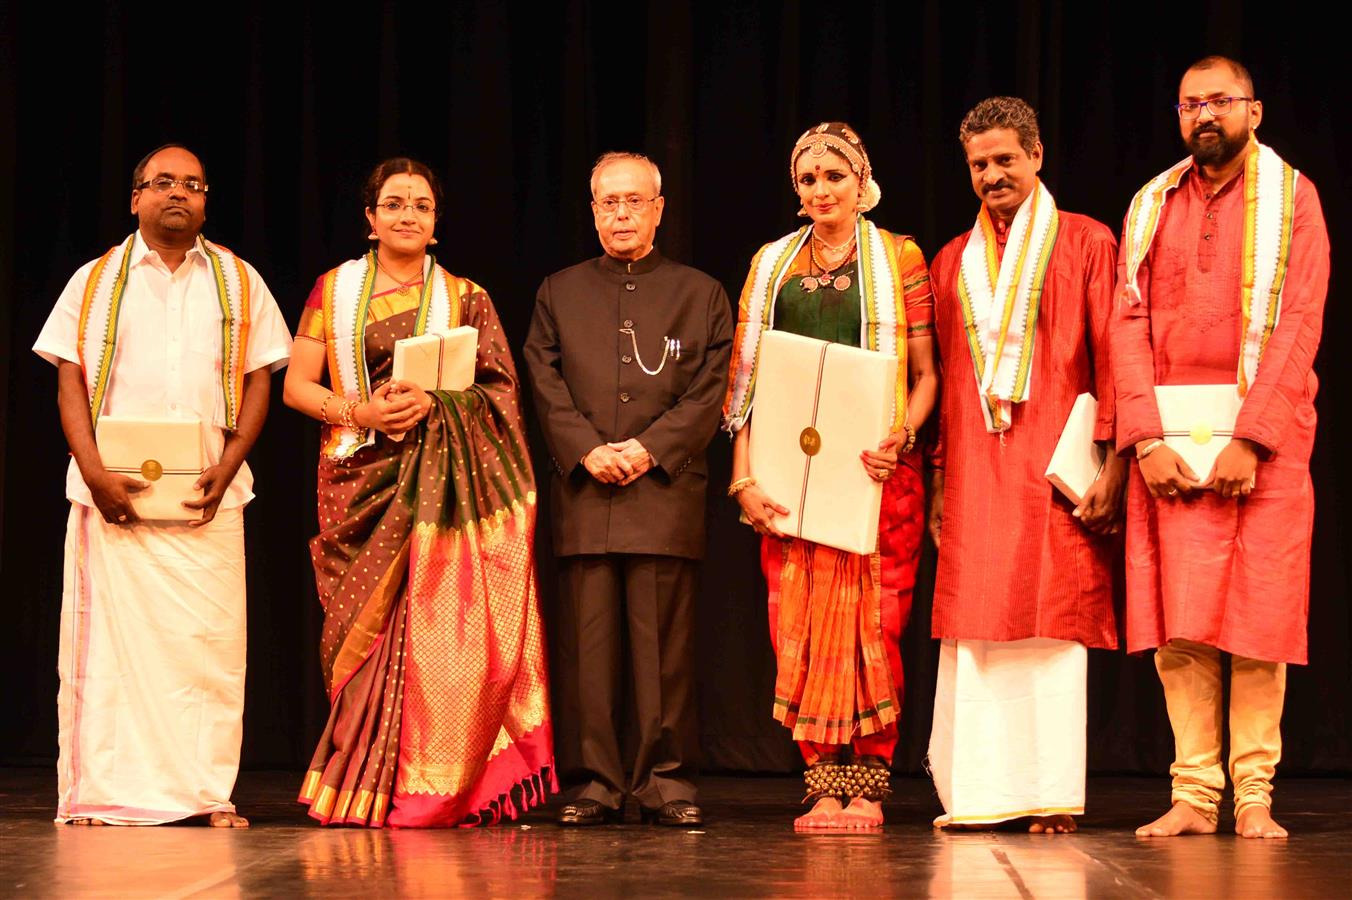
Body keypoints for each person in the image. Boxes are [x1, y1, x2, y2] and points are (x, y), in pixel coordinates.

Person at [285, 157, 555, 827]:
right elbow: (296, 386)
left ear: (435, 225)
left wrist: (439, 406)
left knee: (442, 643)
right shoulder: (333, 290)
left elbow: (500, 397)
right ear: (370, 218)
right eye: (395, 203)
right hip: (362, 486)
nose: (409, 214)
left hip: (445, 494)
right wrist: (362, 414)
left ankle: (434, 786)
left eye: (423, 206)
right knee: (364, 642)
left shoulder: (467, 298)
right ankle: (358, 782)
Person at [33, 143, 293, 827]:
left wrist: (233, 459)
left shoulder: (239, 281)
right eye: (163, 182)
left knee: (207, 650)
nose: (179, 193)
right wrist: (93, 471)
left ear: (206, 200)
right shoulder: (93, 280)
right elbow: (68, 377)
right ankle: (97, 795)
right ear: (136, 197)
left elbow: (261, 375)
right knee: (107, 649)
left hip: (208, 494)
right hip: (110, 491)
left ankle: (206, 797)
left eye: (194, 184)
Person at [1113, 57, 1329, 840]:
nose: (1206, 114)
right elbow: (1125, 325)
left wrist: (1254, 438)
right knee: (1184, 622)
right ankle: (1195, 795)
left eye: (1221, 101)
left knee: (1258, 621)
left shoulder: (1294, 199)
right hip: (1169, 443)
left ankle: (1255, 795)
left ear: (1255, 111)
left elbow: (1302, 318)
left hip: (1263, 444)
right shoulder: (1151, 203)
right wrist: (1141, 440)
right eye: (1190, 103)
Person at [723, 122, 938, 829]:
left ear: (862, 181)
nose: (820, 190)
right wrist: (742, 478)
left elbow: (927, 374)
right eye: (808, 180)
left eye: (833, 177)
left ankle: (869, 780)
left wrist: (901, 436)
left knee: (875, 623)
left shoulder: (899, 258)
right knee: (801, 628)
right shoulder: (772, 264)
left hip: (878, 474)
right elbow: (747, 386)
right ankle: (821, 777)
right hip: (791, 471)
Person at [924, 98, 1125, 833]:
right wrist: (941, 477)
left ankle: (1049, 796)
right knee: (977, 630)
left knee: (1052, 626)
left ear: (1037, 155)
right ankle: (979, 796)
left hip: (1055, 468)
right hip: (977, 470)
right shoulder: (951, 263)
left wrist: (1119, 463)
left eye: (1005, 159)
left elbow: (1117, 360)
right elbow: (945, 381)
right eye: (979, 164)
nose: (992, 175)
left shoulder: (1087, 244)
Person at [523, 152, 732, 827]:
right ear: (591, 209)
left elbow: (711, 390)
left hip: (663, 492)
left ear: (658, 208)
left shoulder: (701, 294)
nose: (621, 213)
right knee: (590, 650)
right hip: (585, 493)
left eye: (634, 201)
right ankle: (597, 783)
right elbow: (543, 380)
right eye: (609, 202)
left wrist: (650, 448)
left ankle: (666, 783)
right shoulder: (559, 290)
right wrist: (586, 449)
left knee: (662, 651)